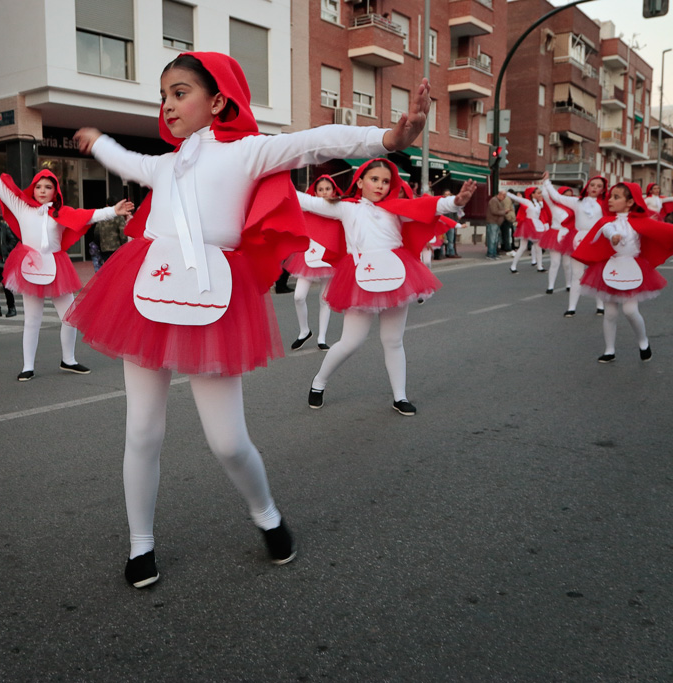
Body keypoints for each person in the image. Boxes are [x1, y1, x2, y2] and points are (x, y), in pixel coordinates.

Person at [68, 51, 431, 587]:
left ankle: (266, 515)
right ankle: (140, 544)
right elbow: (127, 161)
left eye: (180, 92)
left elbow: (317, 140)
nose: (168, 105)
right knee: (142, 430)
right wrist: (97, 142)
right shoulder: (165, 164)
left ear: (218, 100)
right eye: (163, 96)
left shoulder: (248, 152)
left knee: (228, 441)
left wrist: (391, 138)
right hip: (148, 290)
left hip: (213, 296)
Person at [300, 159, 474, 416]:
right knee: (351, 341)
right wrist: (270, 180)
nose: (380, 185)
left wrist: (455, 202)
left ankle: (399, 396)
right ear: (360, 182)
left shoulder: (395, 208)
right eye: (374, 179)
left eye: (385, 181)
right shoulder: (346, 208)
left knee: (393, 340)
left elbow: (425, 206)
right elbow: (307, 202)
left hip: (396, 273)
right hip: (361, 276)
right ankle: (319, 382)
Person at [0, 157, 133, 380]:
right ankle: (28, 366)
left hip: (57, 267)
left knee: (70, 316)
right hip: (30, 267)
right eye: (38, 186)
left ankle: (69, 360)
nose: (42, 190)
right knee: (32, 320)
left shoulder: (62, 212)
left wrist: (113, 210)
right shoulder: (22, 207)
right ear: (33, 189)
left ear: (55, 191)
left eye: (48, 187)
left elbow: (88, 215)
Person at [572, 182, 673, 363]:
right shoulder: (606, 222)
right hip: (610, 268)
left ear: (630, 202)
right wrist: (612, 235)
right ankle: (609, 350)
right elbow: (605, 230)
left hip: (631, 268)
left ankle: (643, 342)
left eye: (616, 197)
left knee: (630, 310)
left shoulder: (641, 222)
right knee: (610, 313)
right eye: (610, 196)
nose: (610, 200)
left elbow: (664, 231)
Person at [286, 175, 339, 350]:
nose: (324, 192)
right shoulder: (308, 208)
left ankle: (322, 338)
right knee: (298, 296)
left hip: (330, 258)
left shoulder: (339, 210)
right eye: (320, 189)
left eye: (327, 189)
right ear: (315, 193)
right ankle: (304, 331)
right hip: (308, 257)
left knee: (325, 299)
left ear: (333, 190)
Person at [543, 172, 607, 317]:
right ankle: (571, 307)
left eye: (599, 186)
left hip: (597, 240)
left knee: (598, 274)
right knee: (576, 274)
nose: (595, 188)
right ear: (587, 186)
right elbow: (557, 197)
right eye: (592, 185)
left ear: (603, 189)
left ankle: (600, 305)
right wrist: (547, 182)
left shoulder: (605, 204)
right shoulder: (577, 202)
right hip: (578, 240)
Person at [539, 181, 575, 295]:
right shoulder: (553, 205)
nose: (568, 198)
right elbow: (545, 195)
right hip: (555, 234)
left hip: (568, 235)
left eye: (570, 196)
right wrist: (546, 182)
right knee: (555, 262)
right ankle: (550, 286)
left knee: (567, 263)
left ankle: (568, 284)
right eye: (565, 195)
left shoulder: (574, 207)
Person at [507, 187, 549, 274]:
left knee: (538, 247)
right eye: (538, 193)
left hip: (536, 225)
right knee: (523, 247)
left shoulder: (537, 203)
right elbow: (516, 198)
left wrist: (541, 199)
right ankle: (513, 266)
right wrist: (507, 193)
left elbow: (542, 207)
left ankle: (540, 266)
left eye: (540, 193)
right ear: (532, 194)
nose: (539, 194)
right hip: (528, 225)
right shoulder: (527, 202)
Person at [485, 189, 507, 259]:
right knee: (492, 239)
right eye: (503, 196)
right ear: (499, 194)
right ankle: (490, 254)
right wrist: (504, 212)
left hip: (497, 223)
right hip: (493, 222)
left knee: (496, 239)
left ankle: (494, 253)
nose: (504, 197)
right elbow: (494, 211)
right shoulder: (494, 200)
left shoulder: (500, 201)